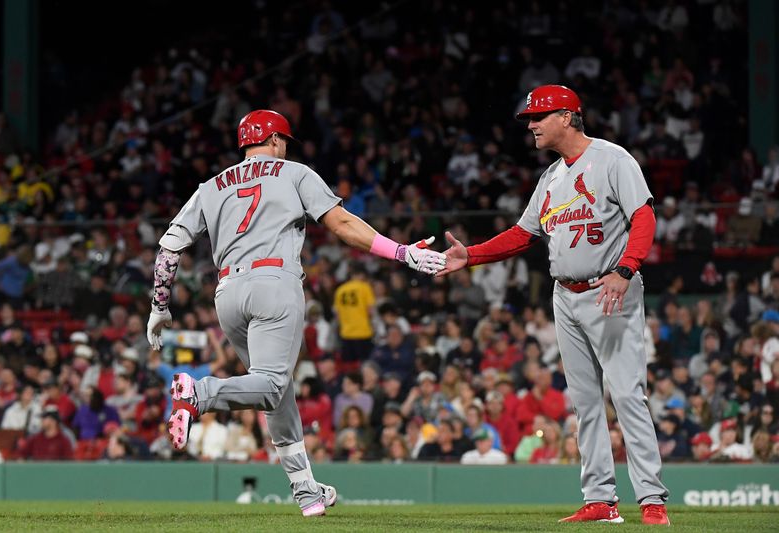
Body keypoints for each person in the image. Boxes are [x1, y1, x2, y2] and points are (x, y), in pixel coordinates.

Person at [145, 110, 446, 517]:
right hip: (274, 282)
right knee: (270, 385)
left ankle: (306, 490)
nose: (285, 147)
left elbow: (169, 249)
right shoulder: (293, 172)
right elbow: (340, 222)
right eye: (283, 140)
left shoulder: (211, 186)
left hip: (227, 293)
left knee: (276, 390)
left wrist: (159, 306)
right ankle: (198, 393)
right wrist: (401, 251)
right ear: (272, 139)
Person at [439, 86, 669, 525]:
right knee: (585, 403)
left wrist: (625, 270)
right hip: (565, 295)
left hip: (610, 289)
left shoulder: (612, 159)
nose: (531, 126)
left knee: (626, 395)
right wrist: (472, 255)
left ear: (567, 116)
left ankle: (652, 500)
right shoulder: (551, 178)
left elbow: (644, 215)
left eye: (538, 117)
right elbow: (523, 235)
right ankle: (600, 498)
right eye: (529, 118)